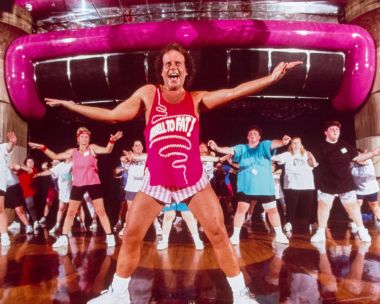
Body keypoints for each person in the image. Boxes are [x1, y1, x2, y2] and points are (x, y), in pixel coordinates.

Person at [45, 43, 301, 303]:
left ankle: (240, 294)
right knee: (132, 235)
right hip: (156, 181)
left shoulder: (196, 99)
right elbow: (112, 115)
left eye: (178, 63)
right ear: (162, 72)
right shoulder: (149, 94)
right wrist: (71, 105)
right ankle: (118, 295)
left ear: (186, 71)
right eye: (168, 64)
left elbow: (234, 92)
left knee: (219, 234)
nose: (173, 67)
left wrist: (270, 78)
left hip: (192, 180)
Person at [29, 127, 123, 249]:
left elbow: (107, 150)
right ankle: (63, 237)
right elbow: (55, 155)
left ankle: (110, 236)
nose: (84, 139)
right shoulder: (72, 152)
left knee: (100, 211)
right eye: (82, 137)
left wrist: (112, 141)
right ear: (77, 139)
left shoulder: (92, 148)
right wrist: (43, 147)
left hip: (93, 183)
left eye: (86, 137)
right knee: (71, 212)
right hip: (78, 184)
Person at [208, 126, 291, 245]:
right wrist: (217, 148)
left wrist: (283, 142)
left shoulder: (264, 145)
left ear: (259, 137)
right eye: (250, 133)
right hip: (246, 187)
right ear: (247, 137)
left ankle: (279, 234)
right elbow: (230, 150)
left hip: (264, 187)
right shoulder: (242, 148)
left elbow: (274, 143)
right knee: (241, 210)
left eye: (255, 133)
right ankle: (235, 235)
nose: (252, 135)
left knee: (272, 210)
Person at [309, 120, 380, 243]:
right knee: (324, 207)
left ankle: (362, 230)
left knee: (353, 208)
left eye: (337, 130)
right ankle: (320, 232)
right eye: (332, 129)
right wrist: (311, 162)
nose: (335, 131)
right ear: (326, 132)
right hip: (327, 183)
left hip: (345, 183)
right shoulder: (320, 147)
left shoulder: (345, 145)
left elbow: (358, 158)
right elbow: (312, 163)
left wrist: (373, 154)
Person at [271, 137, 316, 233]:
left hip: (307, 185)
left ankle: (312, 222)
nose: (295, 145)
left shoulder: (307, 154)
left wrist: (312, 158)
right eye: (293, 143)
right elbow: (273, 158)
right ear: (291, 145)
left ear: (301, 144)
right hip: (292, 185)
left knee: (308, 206)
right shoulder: (287, 155)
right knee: (291, 206)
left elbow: (314, 165)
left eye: (297, 143)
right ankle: (288, 223)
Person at [35, 158, 73, 234]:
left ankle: (76, 225)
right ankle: (57, 225)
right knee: (61, 208)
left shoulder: (73, 164)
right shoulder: (60, 166)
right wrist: (39, 174)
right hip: (62, 190)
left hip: (71, 190)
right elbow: (50, 171)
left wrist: (66, 176)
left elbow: (72, 177)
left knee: (72, 210)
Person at [350, 152, 380, 228]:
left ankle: (379, 220)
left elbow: (363, 162)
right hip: (359, 188)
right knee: (357, 204)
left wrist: (358, 158)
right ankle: (355, 222)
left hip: (371, 187)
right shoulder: (351, 164)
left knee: (374, 205)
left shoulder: (368, 160)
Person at [0, 132, 17, 246]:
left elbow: (9, 147)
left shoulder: (1, 147)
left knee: (0, 208)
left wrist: (12, 142)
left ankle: (4, 235)